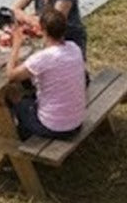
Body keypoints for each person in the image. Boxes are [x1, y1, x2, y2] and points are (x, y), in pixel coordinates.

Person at [6, 8, 86, 141]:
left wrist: (16, 45)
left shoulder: (42, 58)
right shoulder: (74, 47)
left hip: (54, 127)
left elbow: (11, 76)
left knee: (13, 94)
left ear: (43, 30)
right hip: (76, 122)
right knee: (30, 92)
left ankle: (20, 144)